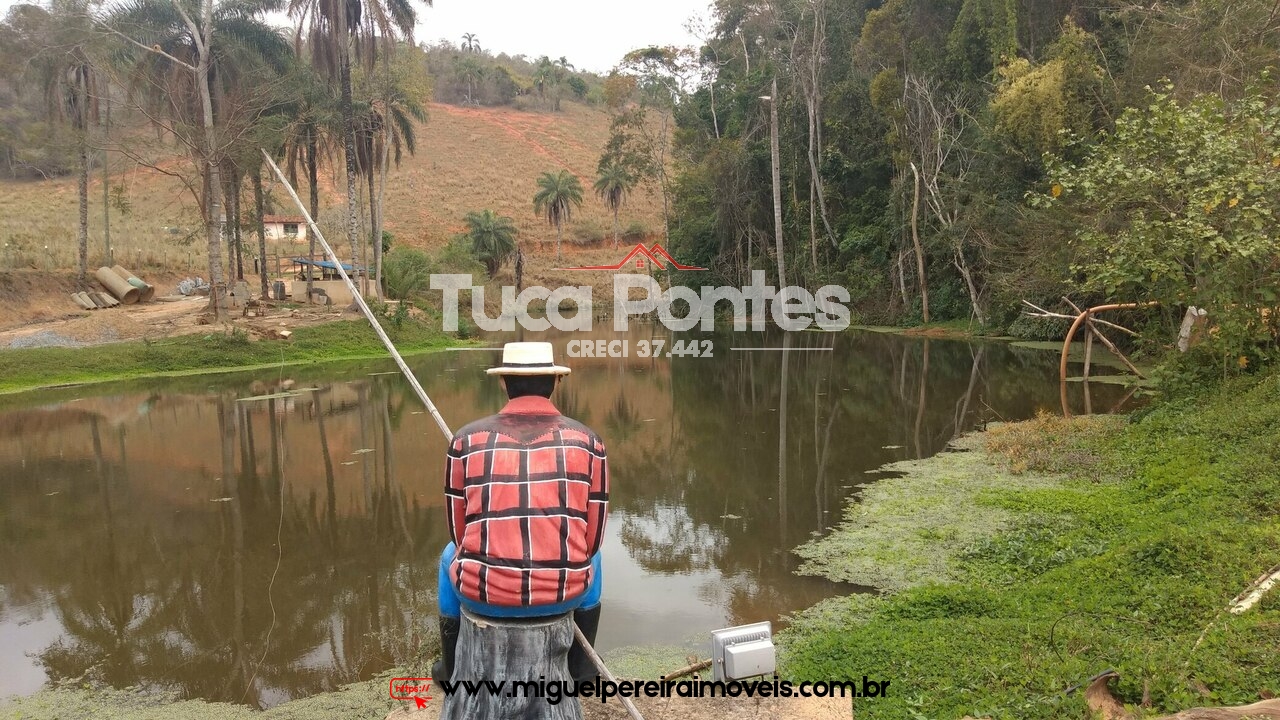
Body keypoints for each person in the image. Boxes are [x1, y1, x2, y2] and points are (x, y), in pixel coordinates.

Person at [435, 342, 609, 683]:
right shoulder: (590, 442)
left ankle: (450, 667)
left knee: (448, 555)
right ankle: (583, 668)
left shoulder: (464, 440)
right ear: (556, 382)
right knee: (596, 559)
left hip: (483, 596)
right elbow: (591, 540)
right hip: (563, 595)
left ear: (503, 382)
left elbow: (459, 535)